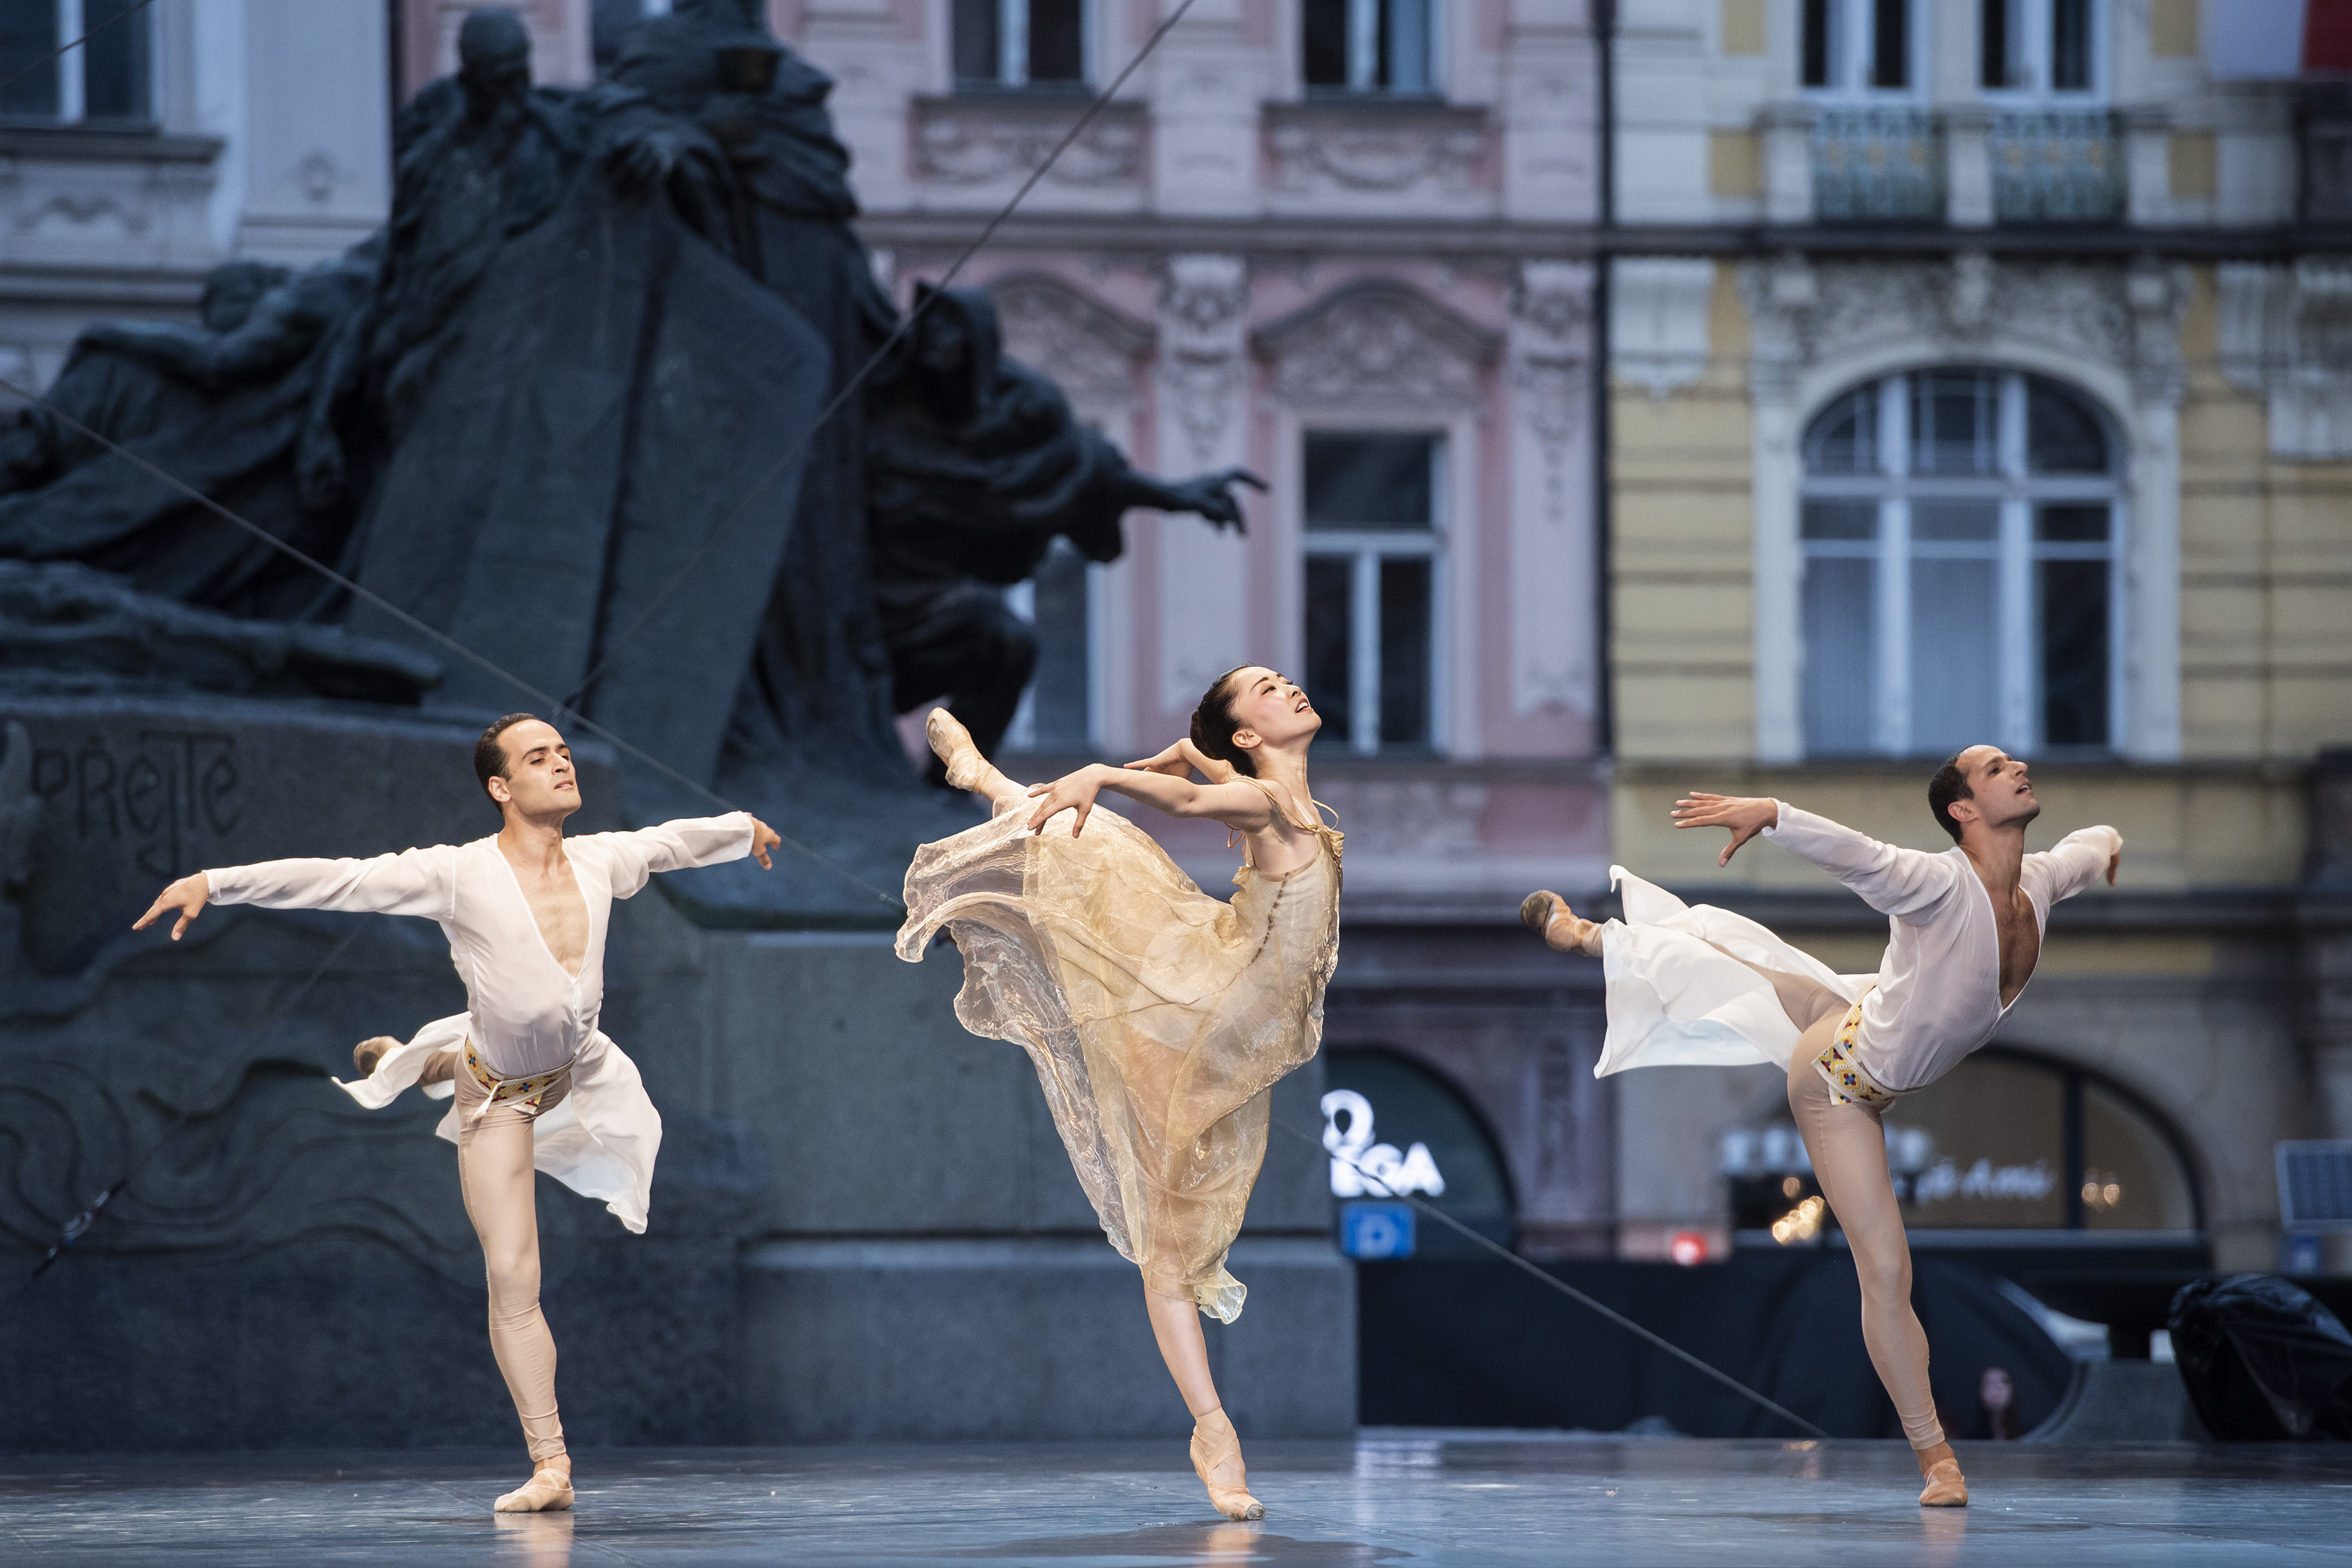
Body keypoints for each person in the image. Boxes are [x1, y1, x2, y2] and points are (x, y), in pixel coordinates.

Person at [132, 712, 782, 1514]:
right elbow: (340, 880)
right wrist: (217, 881)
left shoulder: (599, 859)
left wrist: (741, 829)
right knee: (513, 1277)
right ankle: (551, 1465)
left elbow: (667, 843)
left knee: (493, 1062)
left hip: (578, 1071)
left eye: (564, 752)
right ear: (500, 788)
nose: (561, 764)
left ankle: (412, 1060)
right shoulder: (459, 874)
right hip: (498, 1100)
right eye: (538, 758)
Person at [1521, 744, 2120, 1508]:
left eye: (2012, 762)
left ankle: (1588, 936)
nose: (2017, 768)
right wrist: (1772, 814)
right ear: (1963, 809)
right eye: (1995, 768)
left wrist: (2109, 846)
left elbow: (2085, 847)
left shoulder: (2037, 882)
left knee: (1764, 974)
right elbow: (1858, 855)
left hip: (1863, 1016)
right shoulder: (1936, 884)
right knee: (1886, 1271)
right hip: (1839, 1080)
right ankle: (1937, 1461)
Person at [897, 668, 1339, 1522]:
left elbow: (1202, 778)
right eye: (1265, 689)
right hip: (1192, 1007)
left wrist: (1183, 752)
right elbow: (1195, 803)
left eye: (1280, 680)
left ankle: (994, 784)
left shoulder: (1282, 797)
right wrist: (1105, 774)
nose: (1286, 686)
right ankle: (1212, 1432)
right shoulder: (1263, 804)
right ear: (1247, 736)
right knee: (1099, 848)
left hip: (1224, 1024)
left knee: (1102, 853)